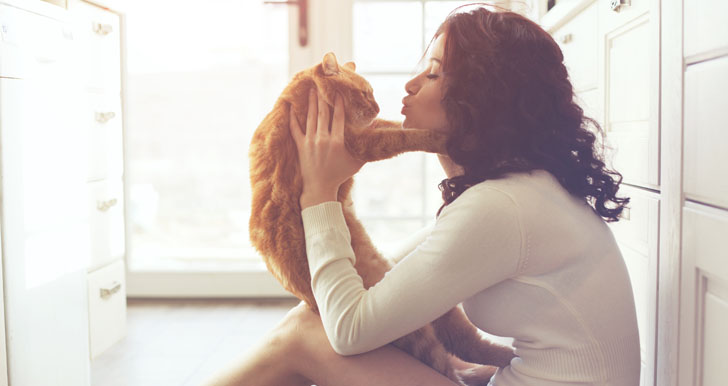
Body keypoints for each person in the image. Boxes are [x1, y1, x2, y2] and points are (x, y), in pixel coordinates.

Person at [206, 5, 640, 386]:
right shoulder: (515, 192)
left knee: (303, 336)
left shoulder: (502, 206)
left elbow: (350, 328)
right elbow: (392, 281)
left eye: (432, 73)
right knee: (311, 322)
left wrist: (320, 193)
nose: (411, 84)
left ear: (482, 100)